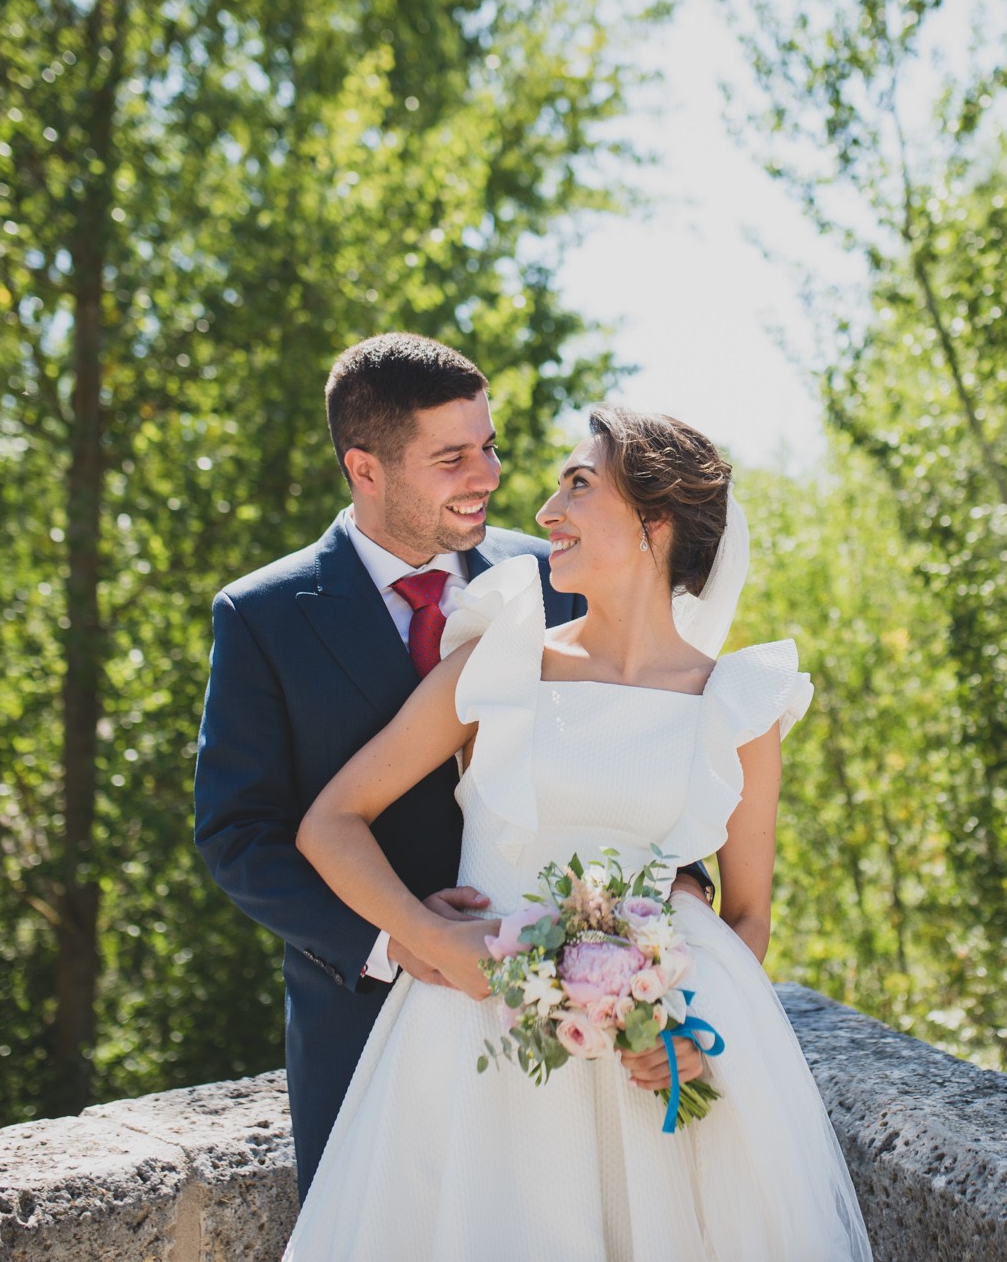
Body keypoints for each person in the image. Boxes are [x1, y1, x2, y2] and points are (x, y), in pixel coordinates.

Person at [282, 406, 872, 1260]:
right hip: (472, 1052)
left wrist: (697, 1041)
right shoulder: (501, 664)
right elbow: (329, 823)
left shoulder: (738, 707)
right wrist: (429, 938)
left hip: (646, 1075)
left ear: (654, 520)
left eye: (579, 484)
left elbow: (744, 918)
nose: (547, 509)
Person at [192, 334, 712, 1201]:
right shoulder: (265, 616)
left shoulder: (558, 572)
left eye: (490, 444)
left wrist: (665, 916)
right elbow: (239, 834)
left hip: (583, 1020)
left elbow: (643, 734)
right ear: (366, 468)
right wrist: (406, 939)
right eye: (452, 457)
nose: (490, 474)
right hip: (363, 1023)